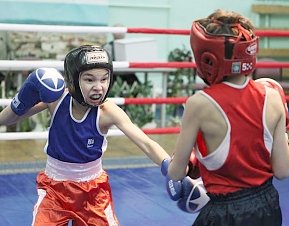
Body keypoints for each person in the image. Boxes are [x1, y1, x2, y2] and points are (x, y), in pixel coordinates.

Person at [0, 45, 170, 226]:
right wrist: (22, 99)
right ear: (73, 81)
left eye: (104, 79)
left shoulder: (107, 111)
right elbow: (7, 119)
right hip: (54, 190)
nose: (99, 87)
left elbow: (146, 143)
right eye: (89, 80)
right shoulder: (56, 100)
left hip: (94, 192)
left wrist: (170, 166)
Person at [165, 9, 289, 226]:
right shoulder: (272, 96)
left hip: (224, 214)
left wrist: (186, 161)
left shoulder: (199, 104)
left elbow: (176, 172)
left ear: (207, 57)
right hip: (268, 207)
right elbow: (283, 170)